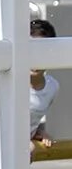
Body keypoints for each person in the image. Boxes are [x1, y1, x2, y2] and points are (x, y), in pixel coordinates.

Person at [30, 18, 60, 146]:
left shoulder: (52, 86)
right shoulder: (8, 82)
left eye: (41, 52)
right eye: (30, 51)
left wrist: (39, 131)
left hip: (22, 153)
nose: (35, 58)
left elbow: (32, 119)